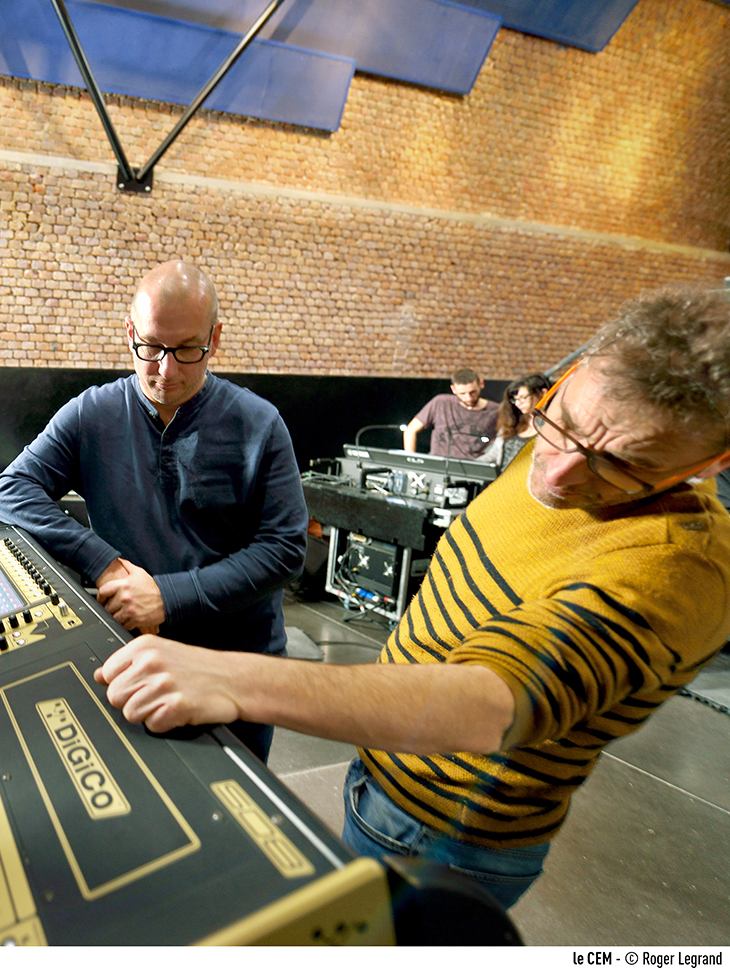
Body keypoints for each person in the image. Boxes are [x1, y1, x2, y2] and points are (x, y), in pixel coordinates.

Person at [95, 286, 730, 908]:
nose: (559, 472)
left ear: (711, 462)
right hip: (386, 774)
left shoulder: (681, 567)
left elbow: (487, 703)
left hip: (448, 831)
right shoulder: (555, 447)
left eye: (619, 466)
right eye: (558, 422)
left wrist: (228, 678)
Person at [0, 260, 308, 762]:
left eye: (187, 351)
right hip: (133, 657)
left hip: (235, 669)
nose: (166, 370)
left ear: (215, 339)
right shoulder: (93, 412)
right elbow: (10, 492)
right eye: (152, 347)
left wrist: (168, 596)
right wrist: (104, 563)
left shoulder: (259, 423)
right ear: (131, 332)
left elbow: (284, 549)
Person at [403, 368, 500, 459]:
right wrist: (411, 460)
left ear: (481, 384)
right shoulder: (440, 402)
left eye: (473, 392)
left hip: (473, 468)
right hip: (438, 465)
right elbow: (411, 430)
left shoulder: (496, 410)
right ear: (453, 389)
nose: (468, 398)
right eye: (462, 393)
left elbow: (503, 440)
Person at [476, 372, 553, 471]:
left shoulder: (552, 427)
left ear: (543, 393)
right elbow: (493, 454)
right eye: (515, 399)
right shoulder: (513, 423)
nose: (518, 403)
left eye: (523, 398)